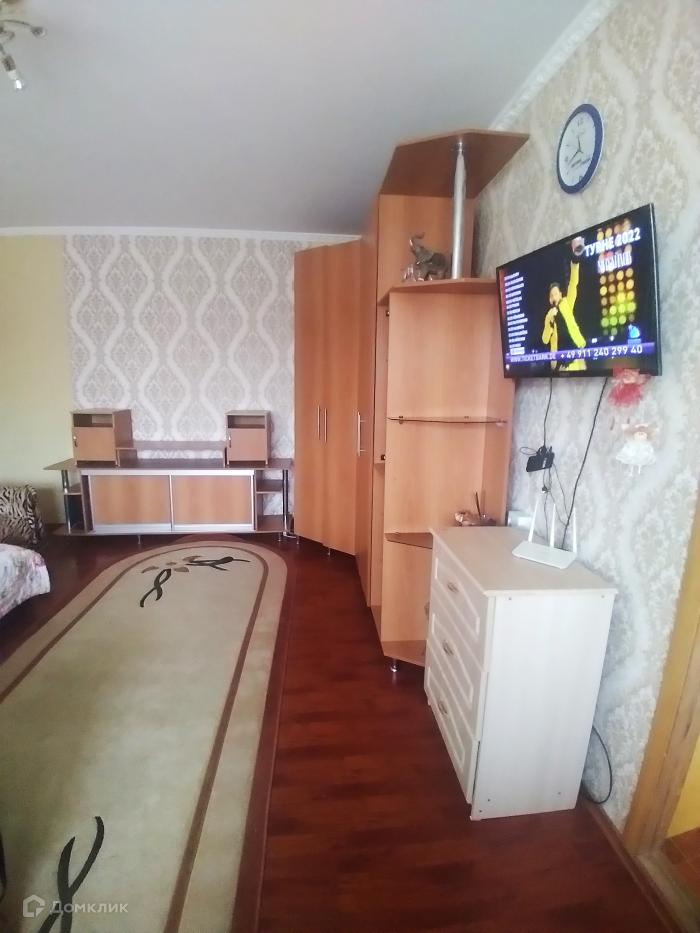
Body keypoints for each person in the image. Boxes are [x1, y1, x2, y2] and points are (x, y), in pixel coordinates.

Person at [541, 242, 586, 371]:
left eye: (556, 293)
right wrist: (548, 320)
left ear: (560, 294)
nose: (554, 296)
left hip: (576, 355)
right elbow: (545, 340)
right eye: (551, 295)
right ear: (550, 299)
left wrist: (575, 262)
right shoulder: (549, 315)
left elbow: (573, 284)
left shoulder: (567, 303)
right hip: (560, 363)